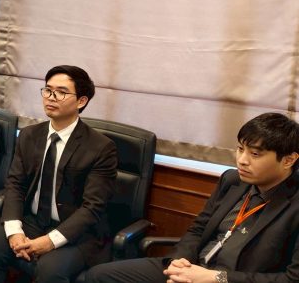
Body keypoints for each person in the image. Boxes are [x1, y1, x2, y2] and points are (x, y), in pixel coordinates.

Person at [85, 112, 299, 283]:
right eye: (240, 149)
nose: (242, 160)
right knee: (100, 275)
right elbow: (198, 228)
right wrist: (180, 263)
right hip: (192, 267)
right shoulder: (232, 180)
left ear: (288, 160)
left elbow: (292, 278)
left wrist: (215, 278)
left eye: (255, 154)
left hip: (230, 279)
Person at [0, 65, 118, 283]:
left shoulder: (100, 147)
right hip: (33, 220)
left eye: (61, 92)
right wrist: (14, 231)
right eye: (48, 90)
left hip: (78, 231)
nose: (51, 97)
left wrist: (49, 241)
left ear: (81, 101)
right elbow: (15, 184)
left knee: (50, 270)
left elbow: (92, 208)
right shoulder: (29, 135)